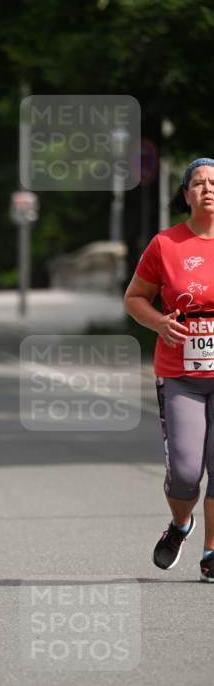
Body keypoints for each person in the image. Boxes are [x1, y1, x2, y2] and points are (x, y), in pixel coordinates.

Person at [124, 157, 214, 583]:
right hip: (180, 372)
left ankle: (212, 551)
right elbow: (135, 298)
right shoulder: (165, 244)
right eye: (198, 183)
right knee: (185, 473)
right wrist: (159, 322)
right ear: (186, 194)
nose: (208, 189)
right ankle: (181, 525)